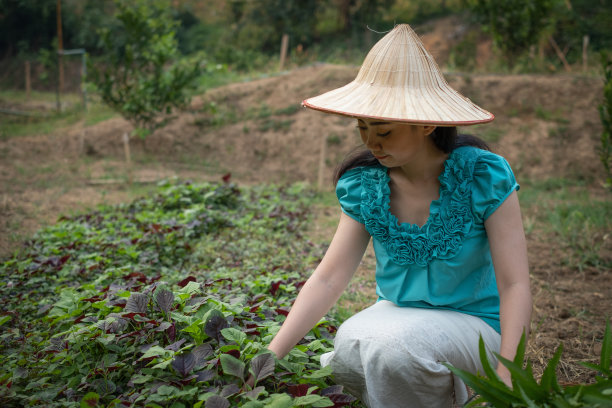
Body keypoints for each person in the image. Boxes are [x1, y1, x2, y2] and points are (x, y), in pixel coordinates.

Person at [266, 24, 532, 407]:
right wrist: (271, 356)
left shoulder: (482, 176)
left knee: (396, 350)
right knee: (350, 343)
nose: (371, 142)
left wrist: (509, 373)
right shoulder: (366, 186)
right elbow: (328, 278)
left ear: (426, 124)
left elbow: (514, 286)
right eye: (362, 128)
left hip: (477, 327)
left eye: (385, 131)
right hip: (398, 318)